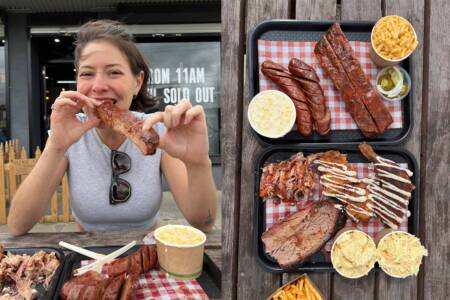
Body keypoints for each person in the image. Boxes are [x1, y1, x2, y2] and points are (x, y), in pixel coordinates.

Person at [7, 20, 217, 235]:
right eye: (87, 74)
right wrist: (56, 147)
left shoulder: (158, 133)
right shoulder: (69, 134)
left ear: (137, 82)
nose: (98, 86)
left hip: (145, 254)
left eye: (114, 72)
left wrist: (198, 162)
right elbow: (16, 226)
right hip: (86, 256)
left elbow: (204, 223)